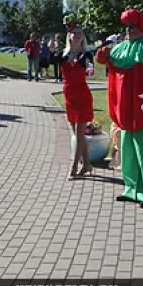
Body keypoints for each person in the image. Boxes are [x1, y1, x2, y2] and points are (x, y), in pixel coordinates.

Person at [95, 8, 143, 209]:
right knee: (126, 151)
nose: (129, 30)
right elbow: (108, 61)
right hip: (125, 110)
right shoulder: (123, 47)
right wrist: (102, 55)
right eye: (127, 26)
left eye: (133, 26)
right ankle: (131, 189)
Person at [57, 22, 95, 179]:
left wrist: (90, 69)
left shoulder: (85, 55)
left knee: (79, 135)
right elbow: (49, 58)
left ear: (83, 38)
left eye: (80, 33)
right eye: (75, 33)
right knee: (77, 134)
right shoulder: (63, 55)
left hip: (82, 96)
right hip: (69, 97)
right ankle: (87, 164)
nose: (78, 35)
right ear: (70, 37)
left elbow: (89, 64)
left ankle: (73, 168)